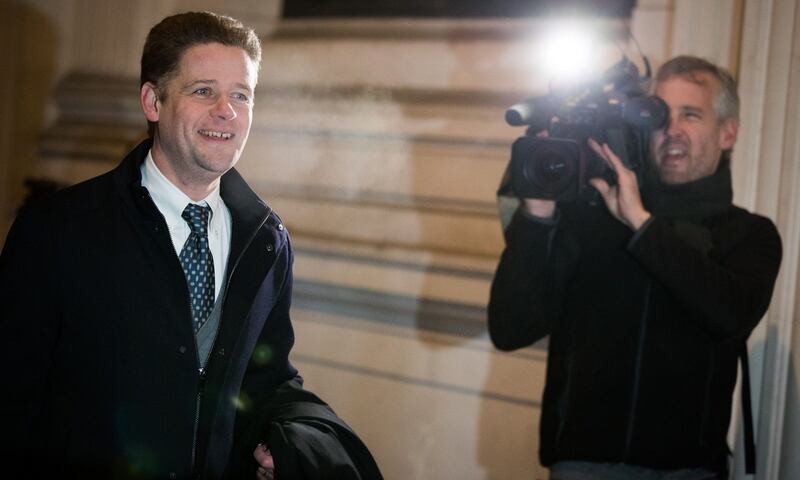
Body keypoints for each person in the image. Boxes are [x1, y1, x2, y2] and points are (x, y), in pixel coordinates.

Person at [0, 11, 381, 480]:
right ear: (152, 101)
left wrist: (292, 444)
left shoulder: (266, 241)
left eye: (241, 95)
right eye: (204, 91)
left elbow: (262, 379)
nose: (227, 111)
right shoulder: (57, 230)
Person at [488, 55, 782, 479]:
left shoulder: (749, 235)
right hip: (582, 464)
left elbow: (729, 314)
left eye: (691, 115)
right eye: (659, 115)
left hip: (686, 471)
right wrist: (537, 214)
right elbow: (510, 328)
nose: (672, 130)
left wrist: (641, 224)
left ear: (728, 132)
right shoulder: (592, 220)